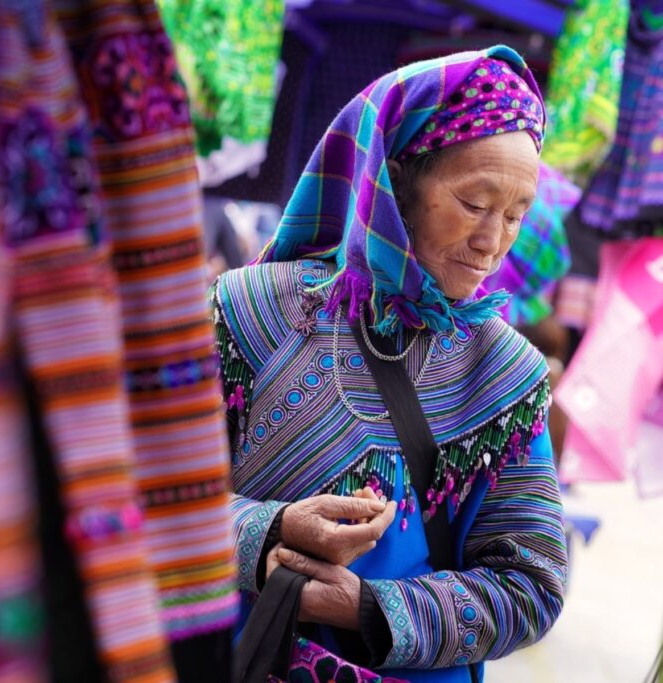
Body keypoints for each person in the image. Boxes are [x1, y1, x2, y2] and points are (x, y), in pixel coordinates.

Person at [213, 46, 568, 682]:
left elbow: (531, 585)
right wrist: (266, 533)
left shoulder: (505, 373)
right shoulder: (247, 312)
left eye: (516, 215)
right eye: (474, 203)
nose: (493, 242)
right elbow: (141, 494)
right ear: (394, 181)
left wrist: (371, 610)